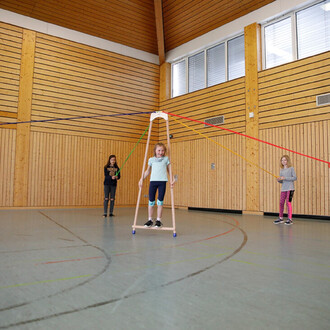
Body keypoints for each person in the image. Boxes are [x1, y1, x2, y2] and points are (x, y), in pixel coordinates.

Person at [139, 143, 173, 228]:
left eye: (162, 150)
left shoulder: (166, 159)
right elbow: (147, 171)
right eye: (159, 150)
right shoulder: (151, 159)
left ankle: (158, 220)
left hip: (162, 182)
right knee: (151, 201)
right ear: (155, 151)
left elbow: (170, 171)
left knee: (160, 202)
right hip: (153, 182)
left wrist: (172, 180)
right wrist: (141, 179)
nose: (161, 152)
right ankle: (150, 220)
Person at [274, 155, 297, 225]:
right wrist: (279, 180)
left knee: (288, 203)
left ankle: (289, 219)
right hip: (283, 189)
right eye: (282, 160)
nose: (283, 161)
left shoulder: (291, 168)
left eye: (285, 160)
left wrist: (285, 178)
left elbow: (294, 178)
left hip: (290, 189)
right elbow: (282, 181)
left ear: (287, 161)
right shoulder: (281, 170)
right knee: (281, 203)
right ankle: (280, 218)